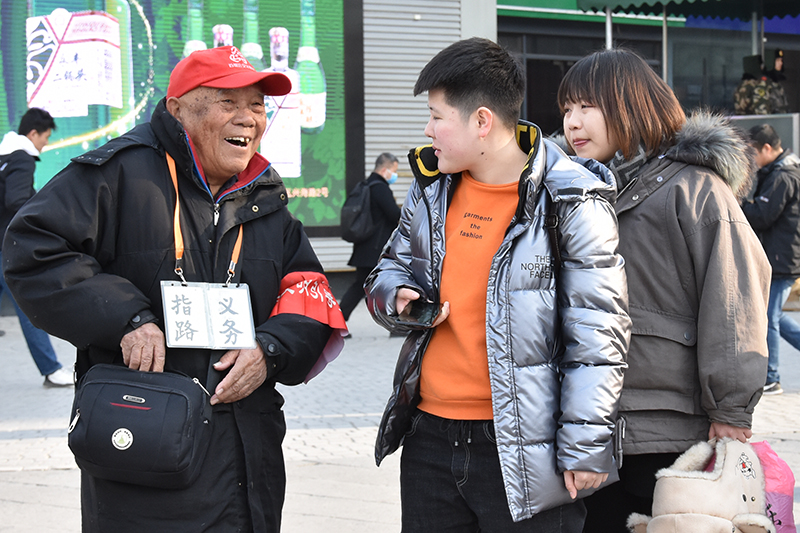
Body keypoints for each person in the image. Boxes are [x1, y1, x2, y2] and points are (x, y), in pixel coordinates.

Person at [3, 46, 345, 532]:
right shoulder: (120, 172)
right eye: (228, 103)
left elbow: (307, 288)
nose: (248, 119)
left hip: (247, 458)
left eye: (257, 105)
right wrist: (126, 318)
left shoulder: (264, 194)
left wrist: (269, 350)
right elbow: (33, 249)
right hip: (143, 448)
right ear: (177, 108)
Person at [366, 37, 631, 531]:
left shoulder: (572, 197)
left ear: (482, 121)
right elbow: (386, 269)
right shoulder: (431, 188)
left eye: (437, 116)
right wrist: (397, 298)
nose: (427, 130)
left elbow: (599, 331)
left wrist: (585, 445)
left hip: (524, 449)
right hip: (428, 438)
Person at [557, 48, 770, 532]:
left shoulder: (693, 189)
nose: (573, 121)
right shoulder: (573, 192)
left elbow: (733, 300)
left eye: (587, 106)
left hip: (667, 424)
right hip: (587, 424)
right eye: (567, 108)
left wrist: (731, 408)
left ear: (631, 104)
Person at [0, 107, 72, 387]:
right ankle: (51, 368)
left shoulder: (4, 157)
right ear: (33, 134)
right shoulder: (22, 159)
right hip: (6, 247)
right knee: (27, 307)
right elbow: (16, 201)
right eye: (45, 137)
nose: (46, 143)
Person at [741, 124, 800, 396]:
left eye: (752, 152)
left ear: (766, 148)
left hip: (782, 258)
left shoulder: (783, 176)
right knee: (774, 314)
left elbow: (762, 216)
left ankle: (772, 378)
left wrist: (739, 204)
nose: (751, 159)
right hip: (782, 255)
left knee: (769, 317)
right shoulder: (781, 171)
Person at [338, 152, 400, 325]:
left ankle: (337, 323)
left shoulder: (365, 185)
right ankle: (396, 325)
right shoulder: (380, 188)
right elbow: (394, 214)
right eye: (394, 171)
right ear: (385, 169)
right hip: (376, 248)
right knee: (389, 285)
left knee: (362, 285)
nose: (394, 175)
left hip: (365, 247)